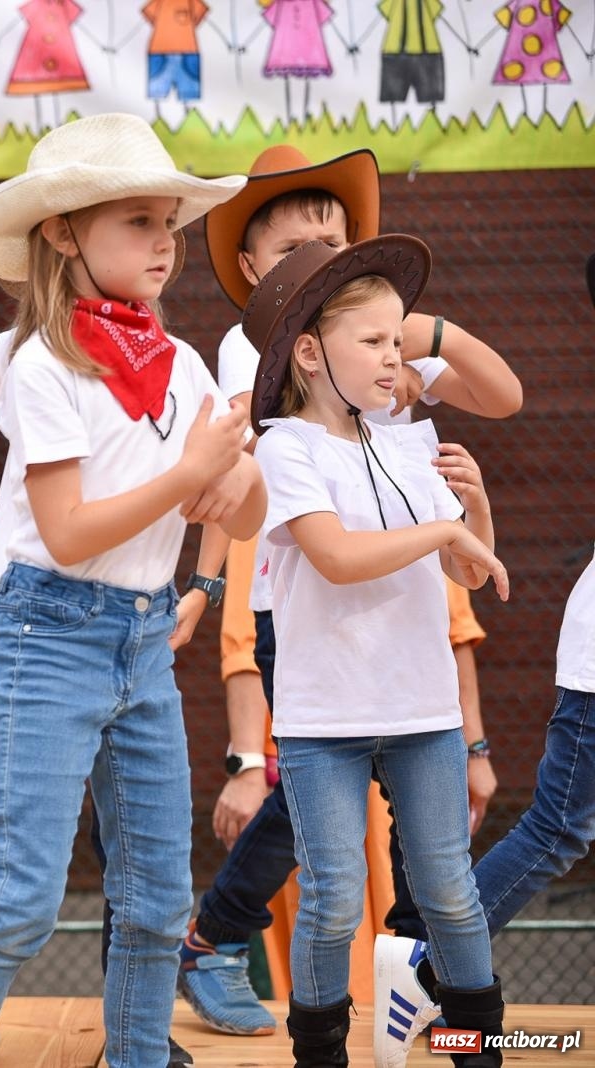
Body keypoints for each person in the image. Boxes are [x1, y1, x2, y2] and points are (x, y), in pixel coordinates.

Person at [0, 113, 263, 1067]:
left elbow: (240, 508)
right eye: (139, 222)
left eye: (170, 225)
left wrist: (241, 465)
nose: (164, 243)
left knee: (157, 901)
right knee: (21, 898)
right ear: (65, 233)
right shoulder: (40, 362)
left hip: (145, 642)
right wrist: (191, 466)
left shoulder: (183, 363)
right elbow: (67, 531)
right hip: (48, 636)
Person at [180, 143, 522, 1039]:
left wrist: (420, 334)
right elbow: (241, 486)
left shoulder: (391, 362)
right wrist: (208, 582)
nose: (320, 253)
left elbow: (504, 397)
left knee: (435, 873)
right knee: (318, 822)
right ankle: (220, 939)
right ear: (261, 277)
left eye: (333, 236)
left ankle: (413, 993)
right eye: (297, 245)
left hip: (410, 578)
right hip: (304, 572)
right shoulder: (260, 365)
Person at [244, 234, 508, 1065]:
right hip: (325, 719)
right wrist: (445, 526)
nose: (395, 359)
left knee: (450, 899)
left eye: (400, 343)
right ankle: (320, 1054)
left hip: (422, 710)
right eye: (375, 342)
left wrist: (478, 511)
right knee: (330, 901)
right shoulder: (285, 444)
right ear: (314, 355)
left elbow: (468, 560)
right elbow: (337, 558)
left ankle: (475, 1050)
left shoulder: (407, 440)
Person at [367, 252, 595, 1067]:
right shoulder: (301, 397)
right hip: (349, 638)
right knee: (323, 862)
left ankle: (442, 994)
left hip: (430, 614)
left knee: (448, 847)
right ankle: (414, 974)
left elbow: (504, 394)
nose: (384, 352)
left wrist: (427, 333)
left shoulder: (404, 374)